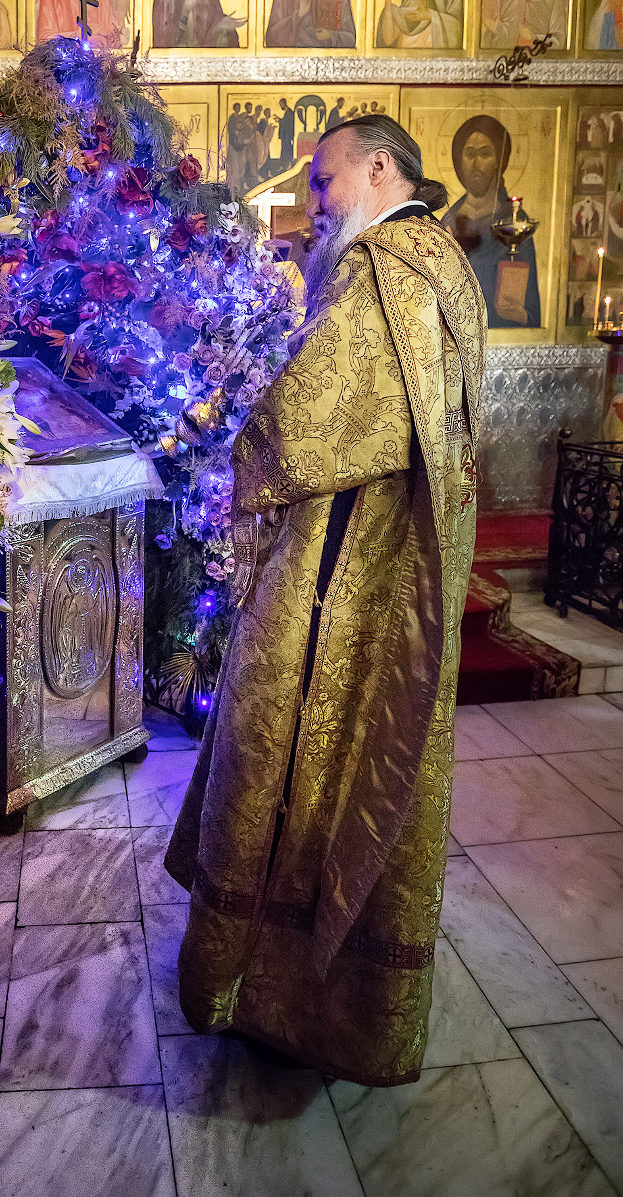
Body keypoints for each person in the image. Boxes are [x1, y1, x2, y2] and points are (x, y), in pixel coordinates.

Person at [165, 113, 488, 1088]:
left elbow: (304, 422)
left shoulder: (381, 268)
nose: (314, 205)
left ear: (379, 167)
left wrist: (218, 411)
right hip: (400, 571)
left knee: (283, 749)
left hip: (332, 578)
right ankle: (353, 1004)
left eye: (324, 181)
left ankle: (267, 991)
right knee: (371, 762)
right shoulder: (451, 272)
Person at [441, 114, 540, 328]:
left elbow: (533, 312)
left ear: (499, 161)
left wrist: (520, 314)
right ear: (459, 160)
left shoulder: (515, 224)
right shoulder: (447, 222)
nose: (477, 165)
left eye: (485, 154)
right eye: (470, 154)